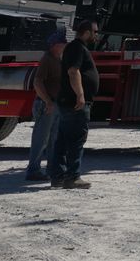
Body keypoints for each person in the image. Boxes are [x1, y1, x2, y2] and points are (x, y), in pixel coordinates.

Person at [48, 19, 102, 189]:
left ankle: (58, 177)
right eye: (95, 31)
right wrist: (80, 95)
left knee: (63, 140)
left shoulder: (75, 48)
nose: (96, 35)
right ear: (86, 32)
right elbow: (73, 71)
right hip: (74, 103)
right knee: (76, 140)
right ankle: (72, 177)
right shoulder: (77, 48)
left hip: (67, 102)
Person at [25, 30, 67, 183]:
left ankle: (51, 169)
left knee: (53, 140)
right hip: (47, 105)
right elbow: (37, 82)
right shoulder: (47, 59)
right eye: (62, 43)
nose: (64, 46)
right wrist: (47, 101)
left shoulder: (57, 59)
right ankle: (33, 170)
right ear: (55, 45)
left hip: (54, 104)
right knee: (41, 139)